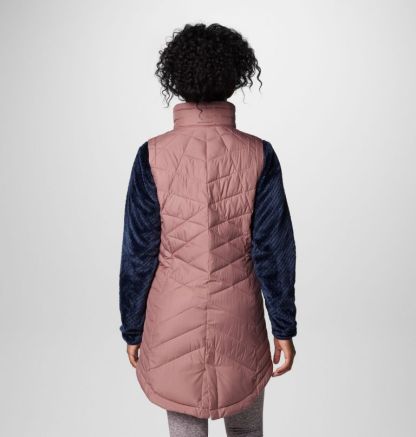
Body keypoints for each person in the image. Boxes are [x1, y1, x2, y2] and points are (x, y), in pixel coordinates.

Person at [118, 22, 297, 437]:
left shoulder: (152, 155)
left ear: (175, 79)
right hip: (241, 319)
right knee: (248, 431)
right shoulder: (259, 154)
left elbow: (138, 253)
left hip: (169, 320)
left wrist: (133, 327)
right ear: (235, 77)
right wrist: (283, 327)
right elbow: (274, 250)